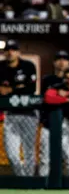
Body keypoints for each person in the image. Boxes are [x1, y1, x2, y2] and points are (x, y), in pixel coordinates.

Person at [0, 39, 38, 176]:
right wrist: (18, 88)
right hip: (10, 114)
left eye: (13, 50)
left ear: (18, 52)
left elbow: (31, 88)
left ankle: (29, 180)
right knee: (11, 153)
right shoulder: (1, 67)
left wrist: (10, 89)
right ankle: (22, 178)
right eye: (8, 50)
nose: (10, 53)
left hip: (29, 113)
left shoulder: (28, 66)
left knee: (29, 151)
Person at [39, 50, 69, 177]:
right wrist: (63, 97)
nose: (62, 62)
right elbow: (47, 98)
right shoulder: (47, 79)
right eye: (59, 59)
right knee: (44, 157)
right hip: (48, 122)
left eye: (64, 59)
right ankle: (43, 183)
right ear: (54, 62)